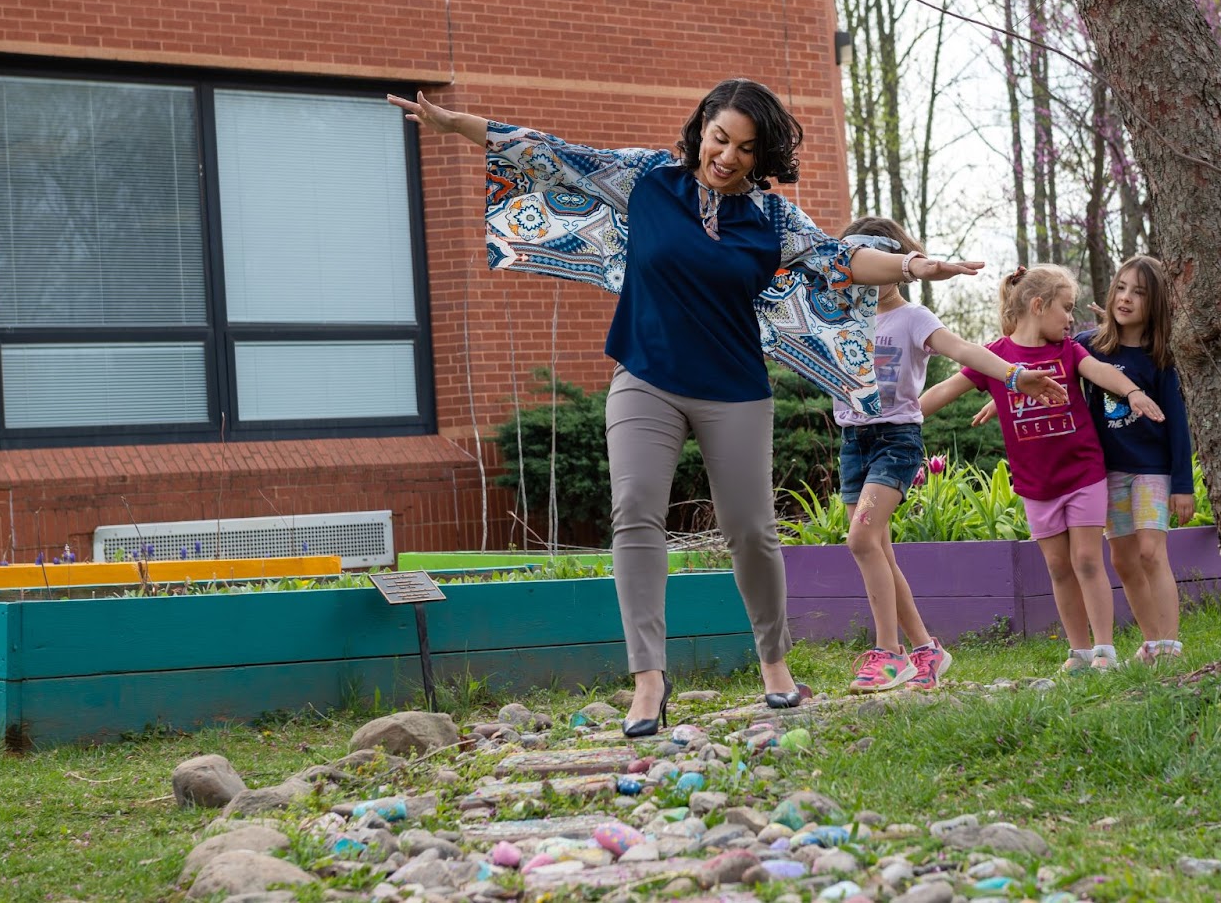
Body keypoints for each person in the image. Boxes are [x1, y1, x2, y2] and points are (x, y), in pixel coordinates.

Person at [389, 79, 983, 735]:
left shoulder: (771, 219)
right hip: (645, 376)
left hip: (733, 389)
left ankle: (775, 666)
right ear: (702, 128)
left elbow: (840, 260)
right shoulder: (647, 179)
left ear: (762, 157)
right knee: (635, 511)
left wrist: (916, 267)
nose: (727, 156)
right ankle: (648, 680)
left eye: (745, 148)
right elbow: (550, 153)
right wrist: (454, 124)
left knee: (751, 532)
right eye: (720, 137)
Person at [830, 218, 1068, 694]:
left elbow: (964, 350)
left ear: (896, 267)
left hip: (895, 440)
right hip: (852, 443)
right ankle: (925, 650)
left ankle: (888, 653)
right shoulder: (840, 321)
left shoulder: (914, 318)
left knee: (861, 541)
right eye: (854, 269)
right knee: (876, 549)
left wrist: (1014, 375)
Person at [920, 264, 1164, 672]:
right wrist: (896, 417)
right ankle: (1080, 652)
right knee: (1057, 567)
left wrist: (1132, 391)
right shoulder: (996, 357)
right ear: (1037, 305)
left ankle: (1105, 650)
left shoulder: (1067, 351)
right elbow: (946, 389)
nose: (1071, 319)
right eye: (1066, 309)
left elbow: (1100, 371)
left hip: (1083, 472)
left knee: (1087, 560)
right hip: (1036, 484)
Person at [1076, 255, 1193, 665]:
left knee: (1150, 552)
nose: (1125, 298)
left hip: (1153, 471)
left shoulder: (1161, 356)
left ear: (1155, 302)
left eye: (1139, 293)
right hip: (1106, 472)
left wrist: (1183, 484)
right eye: (1121, 287)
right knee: (1123, 559)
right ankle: (1150, 644)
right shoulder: (1089, 347)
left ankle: (1169, 646)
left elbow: (1179, 424)